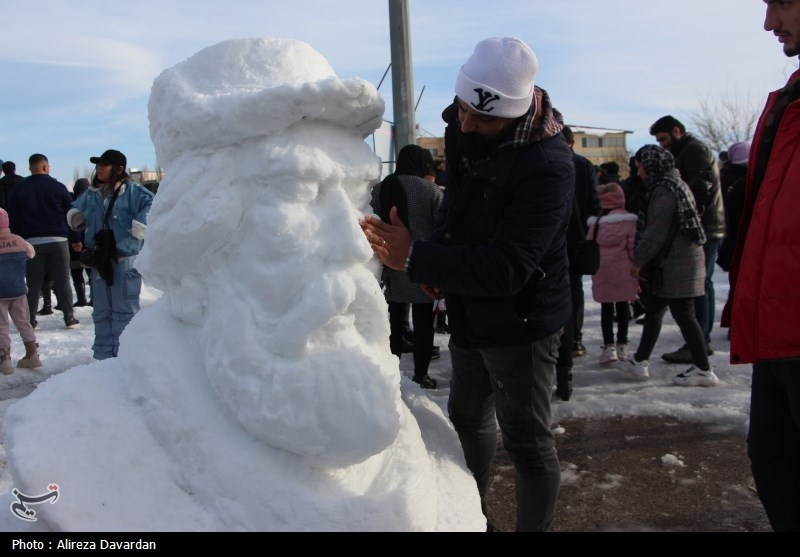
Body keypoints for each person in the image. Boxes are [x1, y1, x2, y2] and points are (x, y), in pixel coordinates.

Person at [361, 37, 574, 531]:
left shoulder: (548, 165)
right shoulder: (461, 126)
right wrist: (440, 265)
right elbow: (457, 210)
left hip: (523, 321)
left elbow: (509, 268)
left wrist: (418, 257)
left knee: (527, 442)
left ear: (515, 115)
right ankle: (468, 518)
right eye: (462, 110)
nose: (467, 124)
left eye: (484, 119)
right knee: (468, 421)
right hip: (471, 309)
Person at [723, 0, 800, 532]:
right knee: (775, 466)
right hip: (778, 329)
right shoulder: (787, 100)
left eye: (783, 2)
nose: (769, 22)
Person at [616, 145, 716, 387]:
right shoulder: (673, 185)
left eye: (640, 167)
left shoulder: (664, 191)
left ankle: (704, 369)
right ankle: (640, 361)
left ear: (651, 167)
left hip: (677, 264)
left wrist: (638, 261)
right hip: (675, 262)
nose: (639, 172)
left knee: (684, 315)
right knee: (654, 310)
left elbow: (655, 232)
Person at [649, 115, 724, 362]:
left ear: (676, 131)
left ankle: (699, 343)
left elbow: (700, 188)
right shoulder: (688, 150)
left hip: (705, 227)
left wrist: (688, 221)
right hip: (706, 226)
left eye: (663, 139)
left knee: (699, 286)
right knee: (701, 284)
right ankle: (700, 341)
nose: (662, 145)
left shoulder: (693, 150)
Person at [67, 149, 154, 360]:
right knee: (101, 312)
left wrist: (139, 226)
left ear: (119, 168)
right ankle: (103, 357)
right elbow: (75, 213)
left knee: (125, 311)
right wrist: (77, 218)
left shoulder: (134, 192)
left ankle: (125, 357)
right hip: (100, 260)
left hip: (124, 259)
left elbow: (154, 205)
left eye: (104, 165)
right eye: (98, 165)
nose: (99, 169)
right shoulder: (92, 193)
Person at [370, 144, 443, 389]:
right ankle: (421, 374)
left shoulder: (379, 189)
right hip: (422, 265)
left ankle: (391, 374)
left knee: (393, 323)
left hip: (390, 265)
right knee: (423, 325)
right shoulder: (431, 190)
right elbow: (442, 229)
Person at [6, 154, 80, 330]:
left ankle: (30, 321)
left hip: (32, 242)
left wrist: (18, 240)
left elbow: (13, 218)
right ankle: (69, 317)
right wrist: (76, 239)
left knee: (33, 283)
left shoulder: (19, 189)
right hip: (59, 240)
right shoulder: (58, 187)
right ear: (46, 167)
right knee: (63, 280)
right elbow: (72, 215)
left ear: (30, 168)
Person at [587, 183, 639, 365]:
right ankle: (622, 344)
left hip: (602, 270)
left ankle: (609, 347)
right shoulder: (629, 221)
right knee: (623, 306)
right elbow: (632, 247)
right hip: (624, 270)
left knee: (606, 308)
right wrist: (637, 266)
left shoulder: (596, 223)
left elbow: (590, 244)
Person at [561, 126, 601, 359]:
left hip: (551, 236)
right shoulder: (583, 164)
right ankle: (575, 338)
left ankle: (558, 337)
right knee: (575, 287)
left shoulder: (545, 160)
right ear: (573, 143)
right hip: (578, 235)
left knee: (554, 285)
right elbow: (594, 202)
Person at [0, 208, 41, 374]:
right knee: (24, 322)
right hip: (18, 289)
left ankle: (4, 360)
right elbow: (32, 253)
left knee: (1, 326)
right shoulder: (18, 240)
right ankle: (32, 354)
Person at [69, 178, 91, 307]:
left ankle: (82, 299)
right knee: (91, 271)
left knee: (76, 271)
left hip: (75, 242)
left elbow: (73, 224)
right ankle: (94, 297)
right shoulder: (92, 201)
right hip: (89, 242)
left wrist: (75, 239)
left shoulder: (74, 203)